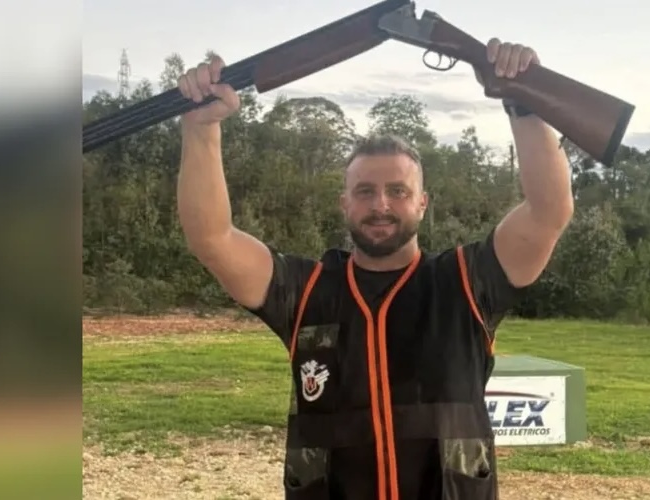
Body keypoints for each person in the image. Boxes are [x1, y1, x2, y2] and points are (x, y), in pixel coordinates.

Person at [176, 38, 573, 500]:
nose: (380, 205)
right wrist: (201, 128)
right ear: (344, 203)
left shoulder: (466, 283)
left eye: (398, 191)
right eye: (364, 191)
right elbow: (213, 238)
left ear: (422, 203)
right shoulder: (305, 291)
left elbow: (549, 211)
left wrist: (523, 102)